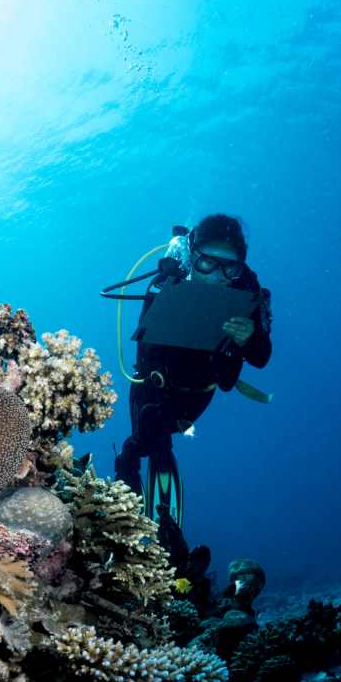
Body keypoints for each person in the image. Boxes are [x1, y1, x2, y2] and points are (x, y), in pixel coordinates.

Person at [113, 214, 272, 528]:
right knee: (151, 435)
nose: (218, 275)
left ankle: (147, 460)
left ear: (241, 265)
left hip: (201, 392)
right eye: (207, 264)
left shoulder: (249, 293)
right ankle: (128, 462)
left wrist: (250, 337)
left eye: (230, 267)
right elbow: (145, 348)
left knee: (164, 434)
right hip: (152, 386)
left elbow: (262, 356)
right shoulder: (168, 281)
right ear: (193, 256)